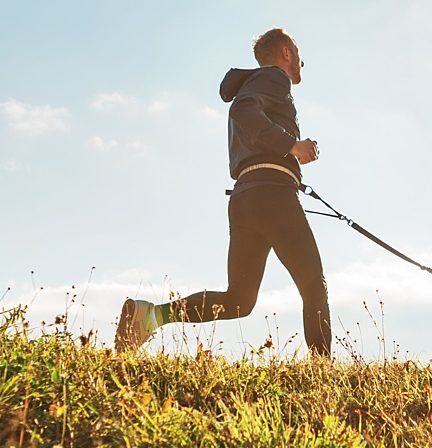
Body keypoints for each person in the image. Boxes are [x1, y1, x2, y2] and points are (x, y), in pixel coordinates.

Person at [115, 28, 331, 357]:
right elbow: (243, 110)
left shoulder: (257, 83)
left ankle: (151, 315)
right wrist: (292, 145)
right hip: (272, 196)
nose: (302, 61)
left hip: (246, 197)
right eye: (298, 52)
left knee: (239, 300)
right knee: (313, 284)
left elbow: (246, 114)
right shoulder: (275, 78)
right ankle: (322, 376)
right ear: (286, 53)